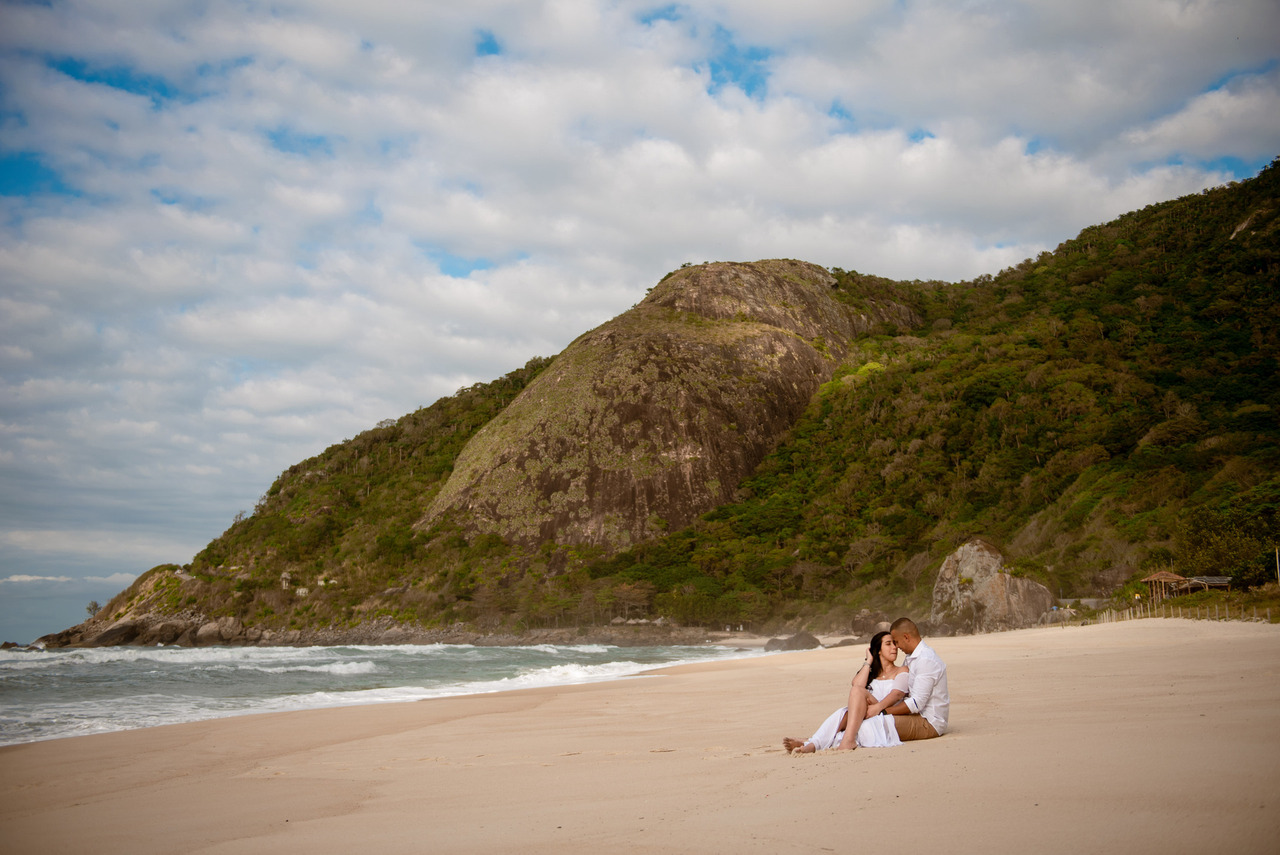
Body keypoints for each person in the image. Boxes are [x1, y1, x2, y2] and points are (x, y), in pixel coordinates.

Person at [782, 630, 909, 754]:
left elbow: (897, 694)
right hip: (866, 713)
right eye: (888, 644)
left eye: (894, 643)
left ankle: (820, 742)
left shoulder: (901, 670)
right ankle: (813, 744)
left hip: (885, 712)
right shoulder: (872, 674)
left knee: (854, 703)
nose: (894, 647)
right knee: (842, 713)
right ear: (879, 650)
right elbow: (857, 684)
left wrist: (877, 708)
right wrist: (868, 661)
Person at [879, 617, 948, 742]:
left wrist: (884, 711)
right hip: (914, 715)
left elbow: (916, 703)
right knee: (860, 718)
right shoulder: (911, 658)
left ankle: (844, 741)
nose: (896, 646)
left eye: (896, 642)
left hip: (928, 722)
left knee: (876, 724)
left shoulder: (926, 660)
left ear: (906, 637)